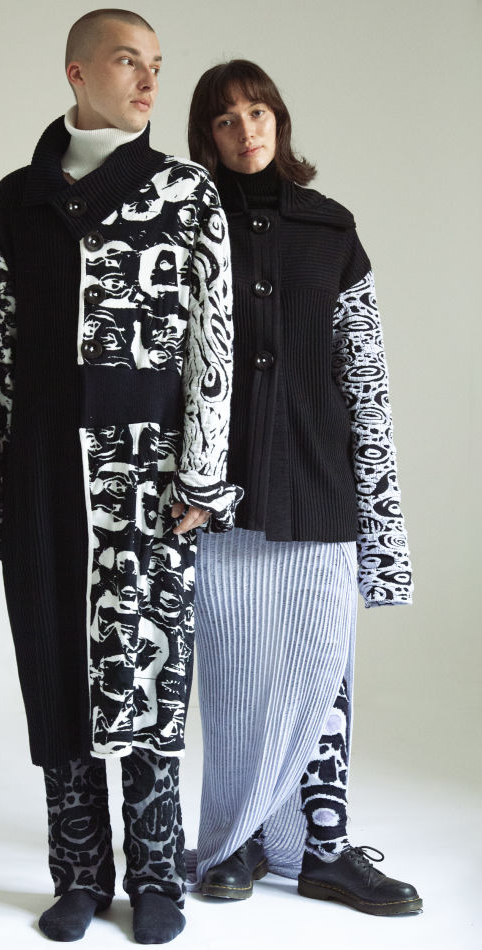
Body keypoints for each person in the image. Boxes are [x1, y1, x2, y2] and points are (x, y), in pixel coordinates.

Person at [0, 11, 242, 944]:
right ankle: (77, 873)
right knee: (55, 665)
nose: (148, 81)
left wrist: (201, 477)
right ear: (77, 73)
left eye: (156, 65)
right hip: (38, 464)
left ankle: (155, 877)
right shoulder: (16, 199)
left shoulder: (184, 191)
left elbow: (213, 340)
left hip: (146, 471)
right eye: (126, 62)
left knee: (147, 670)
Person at [186, 59, 422, 917]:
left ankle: (322, 848)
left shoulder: (330, 229)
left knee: (322, 672)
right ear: (205, 136)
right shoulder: (187, 227)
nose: (245, 130)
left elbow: (364, 375)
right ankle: (238, 842)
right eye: (224, 119)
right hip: (219, 497)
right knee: (237, 678)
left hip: (319, 486)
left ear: (278, 120)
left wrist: (382, 519)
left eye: (257, 112)